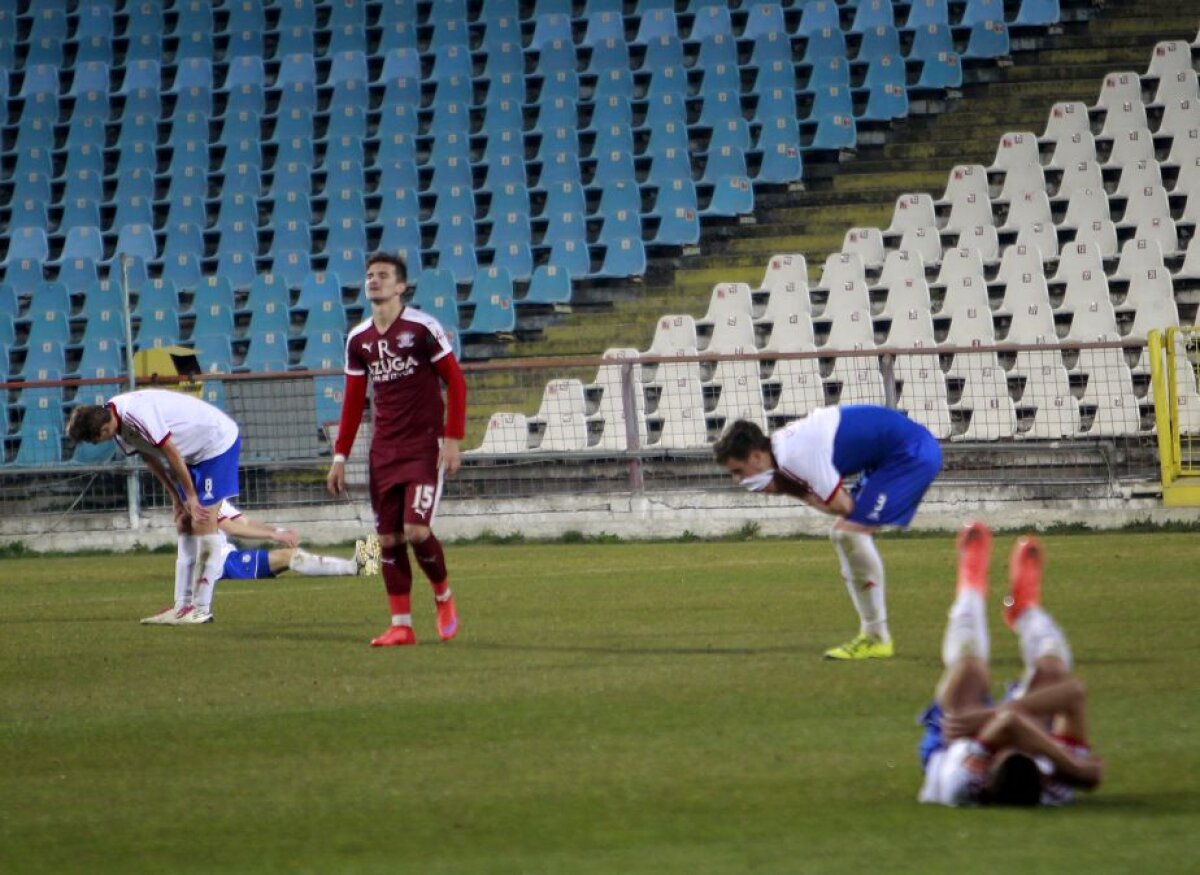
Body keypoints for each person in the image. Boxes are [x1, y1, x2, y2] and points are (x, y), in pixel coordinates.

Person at [713, 406, 942, 660]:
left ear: (756, 456)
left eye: (737, 471)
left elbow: (843, 506)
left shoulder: (794, 456)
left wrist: (789, 489)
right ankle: (873, 636)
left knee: (849, 534)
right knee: (844, 535)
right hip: (894, 453)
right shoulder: (785, 449)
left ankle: (876, 638)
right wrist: (795, 489)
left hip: (910, 453)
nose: (737, 480)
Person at [326, 252, 468, 647]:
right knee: (386, 541)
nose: (374, 280)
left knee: (416, 529)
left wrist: (452, 439)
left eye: (383, 275)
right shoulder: (358, 339)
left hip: (423, 446)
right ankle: (401, 625)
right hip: (382, 453)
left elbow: (456, 383)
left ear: (401, 286)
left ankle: (442, 594)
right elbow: (353, 403)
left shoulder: (423, 327)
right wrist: (340, 457)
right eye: (370, 275)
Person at [918, 521, 1103, 806]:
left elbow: (1009, 724)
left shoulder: (963, 781)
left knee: (968, 668)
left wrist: (985, 720)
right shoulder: (1057, 783)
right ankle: (1026, 609)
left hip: (954, 741)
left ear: (985, 771)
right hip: (1015, 736)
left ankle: (970, 586)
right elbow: (1074, 692)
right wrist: (1073, 767)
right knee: (1052, 671)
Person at [67, 388, 243, 625]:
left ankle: (201, 609)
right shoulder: (114, 419)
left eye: (95, 439)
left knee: (203, 519)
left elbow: (168, 450)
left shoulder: (136, 414)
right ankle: (182, 606)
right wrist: (175, 497)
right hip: (190, 455)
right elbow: (149, 456)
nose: (97, 443)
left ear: (103, 430)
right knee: (184, 521)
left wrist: (190, 496)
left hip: (215, 443)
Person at [140, 503, 382, 625]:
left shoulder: (216, 496)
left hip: (229, 559)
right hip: (224, 564)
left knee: (290, 556)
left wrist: (276, 530)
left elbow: (243, 521)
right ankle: (355, 567)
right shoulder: (200, 496)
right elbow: (231, 528)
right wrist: (273, 536)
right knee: (289, 557)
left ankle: (357, 566)